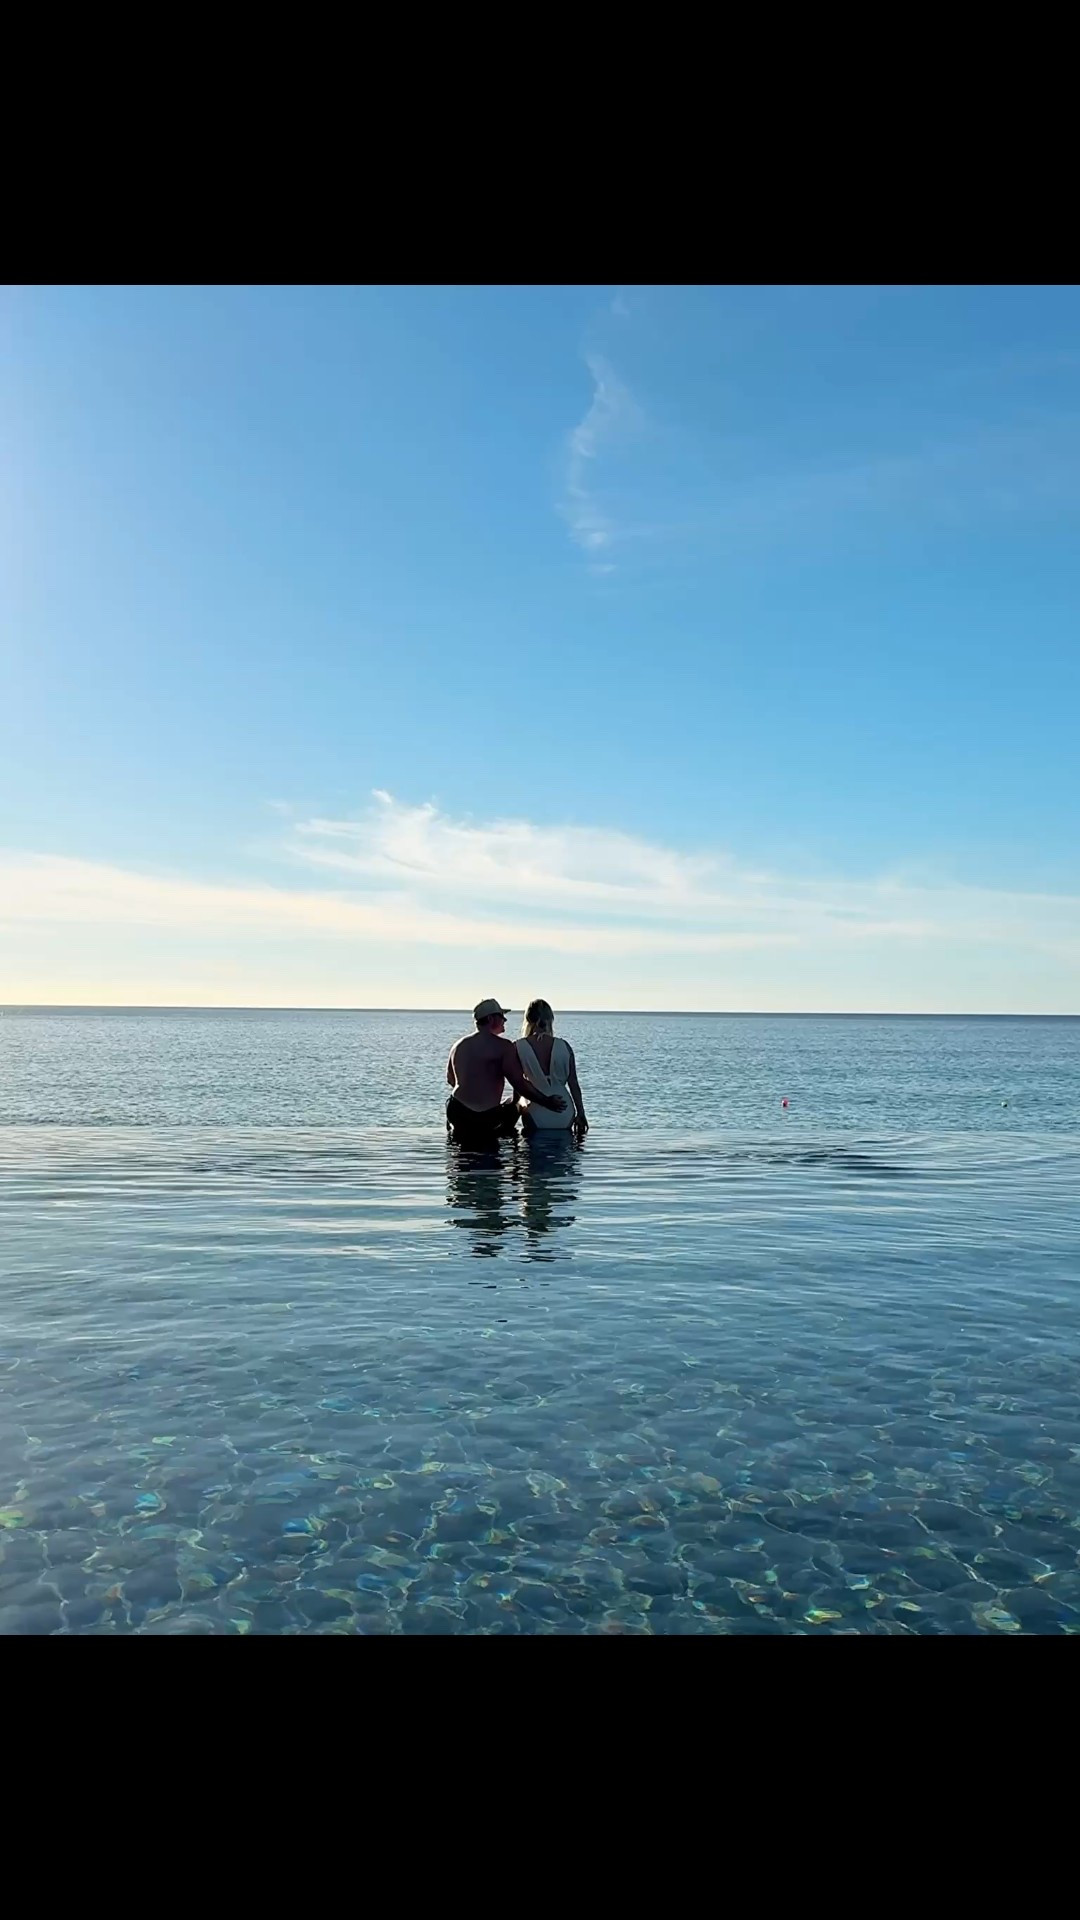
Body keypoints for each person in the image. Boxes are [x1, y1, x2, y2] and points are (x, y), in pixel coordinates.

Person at [446, 999, 568, 1145]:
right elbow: (520, 1085)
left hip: (456, 1111)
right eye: (501, 1016)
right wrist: (547, 1102)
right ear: (491, 1019)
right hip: (485, 1118)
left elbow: (451, 1080)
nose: (505, 1019)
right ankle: (516, 1158)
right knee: (516, 1105)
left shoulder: (458, 1046)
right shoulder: (503, 1047)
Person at [514, 999, 589, 1139]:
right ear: (550, 1019)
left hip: (535, 1111)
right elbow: (574, 1084)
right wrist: (581, 1113)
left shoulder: (518, 1047)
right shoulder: (565, 1046)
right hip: (564, 1110)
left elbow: (518, 1085)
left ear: (528, 1019)